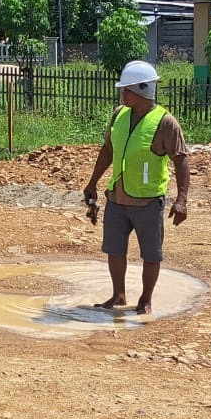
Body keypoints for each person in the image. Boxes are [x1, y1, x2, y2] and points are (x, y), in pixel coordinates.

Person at [81, 59, 191, 315]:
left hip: (148, 201)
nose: (123, 93)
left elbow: (181, 160)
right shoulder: (119, 115)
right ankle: (118, 295)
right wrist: (92, 182)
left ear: (143, 90)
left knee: (151, 254)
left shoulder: (166, 123)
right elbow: (108, 150)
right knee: (114, 250)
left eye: (127, 89)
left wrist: (181, 200)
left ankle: (145, 300)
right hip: (117, 198)